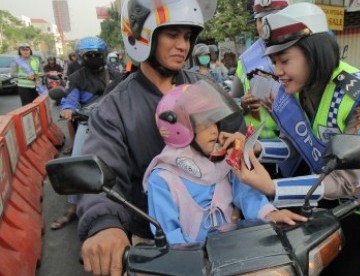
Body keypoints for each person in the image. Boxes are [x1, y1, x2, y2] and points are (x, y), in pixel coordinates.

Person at [232, 2, 360, 270]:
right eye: (274, 62)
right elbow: (297, 143)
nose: (277, 72)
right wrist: (258, 150)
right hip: (329, 200)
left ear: (315, 52)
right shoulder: (300, 88)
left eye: (285, 60)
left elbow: (348, 180)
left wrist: (273, 188)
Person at [76, 1, 245, 275]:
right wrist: (105, 224)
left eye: (187, 36)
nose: (183, 45)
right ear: (143, 35)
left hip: (221, 229)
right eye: (172, 34)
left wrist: (244, 151)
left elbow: (240, 137)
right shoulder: (115, 108)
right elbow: (101, 172)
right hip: (156, 243)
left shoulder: (204, 88)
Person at [143, 80, 306, 244]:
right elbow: (169, 236)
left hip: (232, 251)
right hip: (194, 263)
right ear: (180, 129)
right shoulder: (163, 179)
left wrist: (270, 214)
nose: (214, 130)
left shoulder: (223, 160)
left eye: (215, 121)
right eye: (205, 124)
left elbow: (247, 194)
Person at [50, 36, 121, 230]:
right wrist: (68, 108)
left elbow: (124, 97)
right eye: (89, 55)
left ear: (104, 55)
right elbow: (70, 98)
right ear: (81, 57)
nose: (93, 58)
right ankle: (73, 207)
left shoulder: (116, 75)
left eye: (97, 54)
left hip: (113, 126)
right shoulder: (76, 78)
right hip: (86, 124)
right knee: (76, 163)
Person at [234, 0, 288, 141]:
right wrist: (243, 104)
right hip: (255, 145)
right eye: (261, 20)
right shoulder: (245, 60)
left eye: (272, 18)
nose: (266, 25)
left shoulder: (300, 55)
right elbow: (231, 101)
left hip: (293, 142)